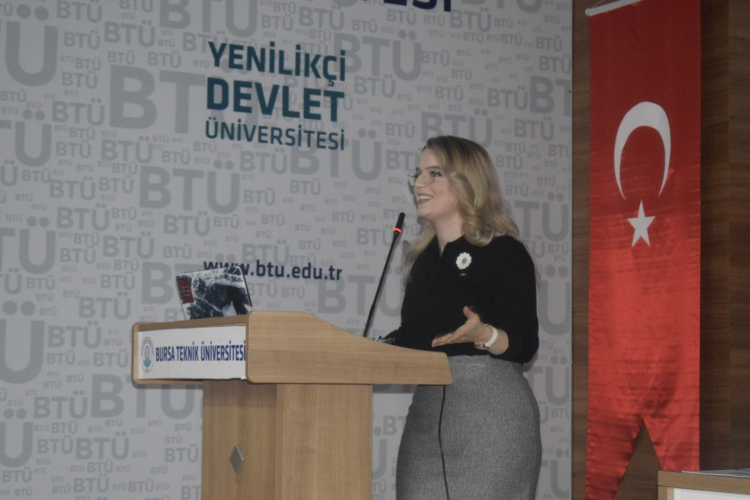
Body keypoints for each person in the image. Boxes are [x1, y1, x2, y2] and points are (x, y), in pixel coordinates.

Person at [387, 135, 541, 499]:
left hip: (492, 420)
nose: (420, 183)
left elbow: (524, 344)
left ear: (467, 181)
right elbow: (412, 337)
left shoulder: (504, 252)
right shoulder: (422, 262)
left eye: (434, 173)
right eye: (418, 174)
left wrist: (484, 335)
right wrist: (365, 347)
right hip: (426, 421)